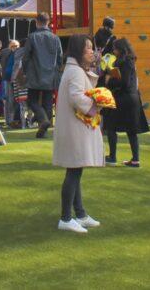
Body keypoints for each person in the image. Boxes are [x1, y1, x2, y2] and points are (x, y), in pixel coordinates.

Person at [53, 34, 105, 233]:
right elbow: (76, 97)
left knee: (75, 170)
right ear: (78, 51)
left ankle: (80, 214)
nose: (92, 51)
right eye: (88, 48)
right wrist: (95, 106)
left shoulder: (74, 69)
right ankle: (66, 217)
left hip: (74, 128)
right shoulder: (74, 71)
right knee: (74, 172)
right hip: (74, 128)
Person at [103, 38, 150, 167]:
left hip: (124, 98)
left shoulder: (125, 63)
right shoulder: (130, 61)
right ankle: (135, 159)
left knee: (111, 125)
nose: (114, 51)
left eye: (115, 49)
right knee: (131, 130)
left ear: (121, 49)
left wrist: (110, 81)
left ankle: (112, 156)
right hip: (132, 98)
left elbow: (124, 83)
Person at [18, 12, 63, 138]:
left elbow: (26, 57)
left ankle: (43, 120)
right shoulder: (55, 38)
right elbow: (60, 57)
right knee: (48, 103)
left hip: (35, 73)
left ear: (36, 22)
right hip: (50, 74)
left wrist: (25, 72)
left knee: (32, 101)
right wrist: (57, 70)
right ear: (48, 22)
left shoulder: (32, 37)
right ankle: (43, 130)